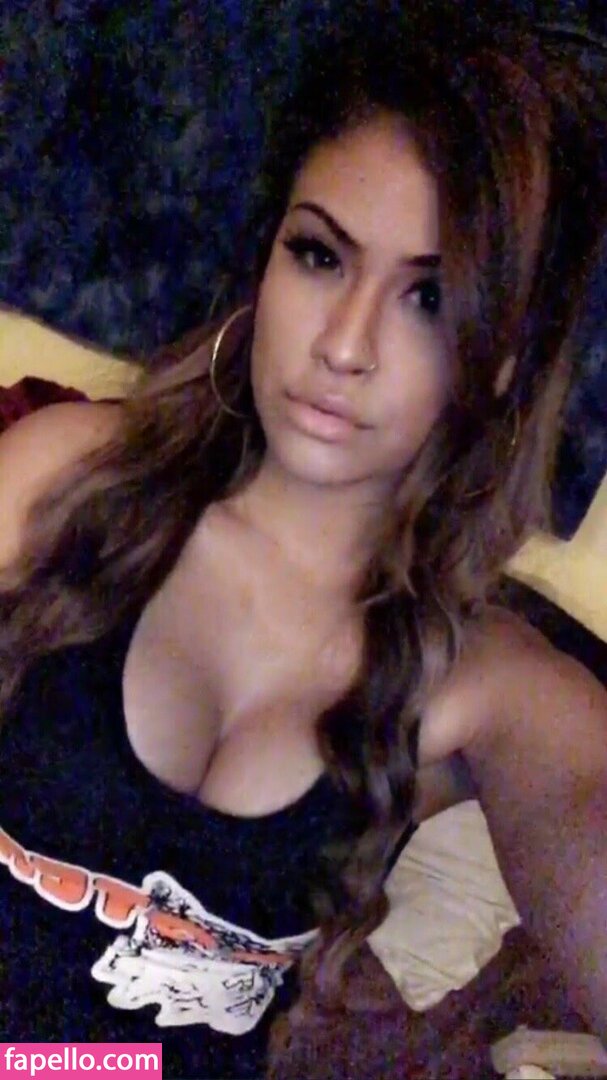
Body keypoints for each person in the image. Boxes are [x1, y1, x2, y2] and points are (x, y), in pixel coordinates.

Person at [1, 7, 606, 1078]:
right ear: (265, 260)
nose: (344, 344)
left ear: (505, 359)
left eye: (428, 297)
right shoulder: (67, 477)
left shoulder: (487, 687)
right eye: (320, 255)